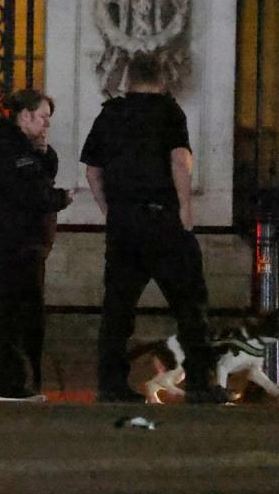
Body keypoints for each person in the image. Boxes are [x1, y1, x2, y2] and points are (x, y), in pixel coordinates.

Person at [80, 51, 232, 404]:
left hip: (123, 223)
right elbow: (179, 160)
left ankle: (111, 384)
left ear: (129, 79)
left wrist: (111, 210)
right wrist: (185, 210)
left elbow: (92, 171)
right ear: (162, 80)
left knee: (118, 308)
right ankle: (198, 382)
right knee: (189, 304)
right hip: (162, 218)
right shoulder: (168, 112)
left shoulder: (110, 114)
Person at [0, 89, 73, 402]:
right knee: (16, 317)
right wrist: (61, 198)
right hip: (17, 245)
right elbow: (30, 193)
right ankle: (12, 385)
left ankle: (8, 385)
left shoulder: (19, 148)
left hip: (22, 245)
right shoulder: (10, 150)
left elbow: (38, 178)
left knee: (16, 316)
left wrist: (44, 154)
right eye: (43, 117)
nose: (47, 124)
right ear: (25, 116)